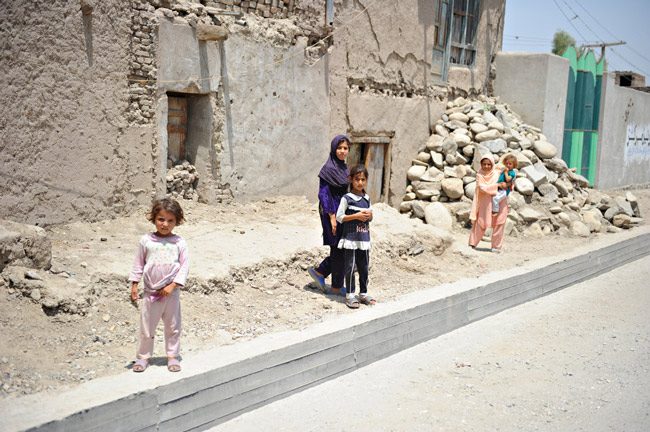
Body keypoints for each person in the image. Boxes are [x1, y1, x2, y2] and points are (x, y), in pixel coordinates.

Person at [129, 197, 189, 373]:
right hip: (151, 293)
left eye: (170, 220)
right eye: (161, 219)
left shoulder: (179, 243)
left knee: (173, 327)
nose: (165, 224)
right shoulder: (146, 241)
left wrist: (173, 286)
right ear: (154, 219)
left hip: (171, 294)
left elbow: (184, 266)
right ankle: (143, 357)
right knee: (147, 327)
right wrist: (134, 285)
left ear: (177, 221)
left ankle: (172, 356)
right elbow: (138, 263)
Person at [308, 135, 350, 296]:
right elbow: (323, 194)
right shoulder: (328, 169)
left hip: (342, 210)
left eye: (345, 148)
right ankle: (335, 286)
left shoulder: (345, 168)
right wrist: (332, 217)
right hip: (330, 210)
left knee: (342, 247)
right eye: (339, 148)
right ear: (334, 149)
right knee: (338, 246)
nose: (342, 151)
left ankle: (322, 274)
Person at [336, 164, 376, 308]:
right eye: (357, 179)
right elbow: (340, 217)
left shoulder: (367, 198)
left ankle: (363, 293)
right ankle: (350, 295)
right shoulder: (347, 198)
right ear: (351, 180)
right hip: (351, 239)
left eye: (363, 179)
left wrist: (369, 216)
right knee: (350, 267)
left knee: (364, 267)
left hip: (364, 239)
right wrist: (355, 216)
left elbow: (370, 217)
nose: (360, 182)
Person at [469, 154, 509, 253]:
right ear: (481, 164)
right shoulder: (479, 175)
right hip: (485, 204)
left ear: (492, 164)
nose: (486, 166)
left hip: (500, 203)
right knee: (480, 223)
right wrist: (497, 186)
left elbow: (507, 182)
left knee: (499, 224)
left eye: (489, 164)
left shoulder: (498, 173)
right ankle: (472, 244)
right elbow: (482, 188)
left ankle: (496, 247)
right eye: (484, 164)